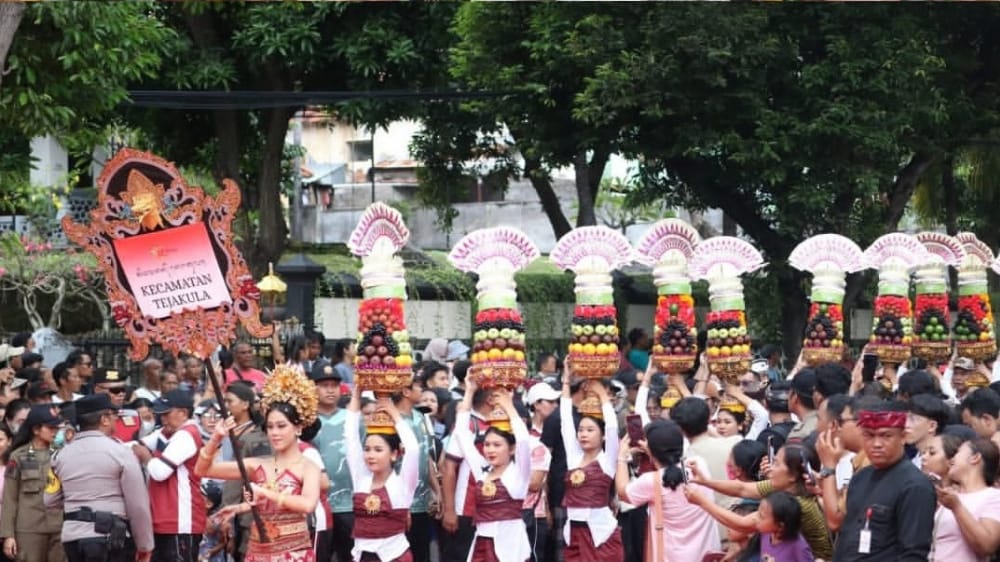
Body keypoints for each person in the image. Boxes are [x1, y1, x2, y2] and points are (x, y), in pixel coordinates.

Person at [195, 366, 321, 562]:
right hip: (258, 552)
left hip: (293, 553)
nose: (274, 433)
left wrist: (264, 493)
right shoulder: (258, 465)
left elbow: (307, 504)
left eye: (281, 426)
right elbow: (202, 469)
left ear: (298, 428)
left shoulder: (308, 466)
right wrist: (216, 437)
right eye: (270, 427)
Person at [45, 393, 155, 562]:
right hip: (110, 536)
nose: (116, 419)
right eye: (113, 415)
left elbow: (49, 499)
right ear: (104, 419)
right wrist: (145, 545)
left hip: (73, 536)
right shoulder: (120, 452)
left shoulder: (60, 456)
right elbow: (138, 505)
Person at [685, 442, 833, 560]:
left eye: (776, 463)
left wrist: (701, 501)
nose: (770, 468)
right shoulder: (782, 485)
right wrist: (705, 482)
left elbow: (742, 524)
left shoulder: (798, 504)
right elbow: (742, 488)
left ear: (793, 476)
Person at [833, 401, 937, 561]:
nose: (876, 444)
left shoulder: (915, 486)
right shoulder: (860, 477)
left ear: (903, 437)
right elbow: (846, 536)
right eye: (869, 435)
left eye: (886, 436)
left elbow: (913, 554)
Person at [615, 419, 720, 562]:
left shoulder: (651, 481)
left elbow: (623, 492)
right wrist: (653, 452)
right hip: (706, 555)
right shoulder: (698, 465)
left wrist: (621, 456)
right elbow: (674, 467)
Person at [453, 382, 531, 562]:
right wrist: (470, 391)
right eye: (487, 445)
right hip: (481, 544)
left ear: (511, 449)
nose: (490, 450)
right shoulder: (482, 471)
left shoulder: (518, 474)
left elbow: (524, 441)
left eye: (497, 445)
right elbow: (460, 434)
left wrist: (510, 408)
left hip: (510, 548)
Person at [343, 385, 419, 562]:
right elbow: (350, 438)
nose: (370, 455)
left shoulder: (402, 484)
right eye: (367, 449)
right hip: (362, 556)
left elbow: (413, 449)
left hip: (394, 556)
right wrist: (356, 396)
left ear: (394, 454)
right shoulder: (361, 478)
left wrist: (395, 414)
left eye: (378, 450)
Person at [131, 390, 205, 561]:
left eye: (166, 414)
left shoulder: (187, 434)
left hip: (181, 521)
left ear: (183, 413)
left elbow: (160, 472)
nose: (162, 419)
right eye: (160, 415)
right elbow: (134, 446)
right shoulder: (167, 432)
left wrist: (146, 457)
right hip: (163, 519)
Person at [559, 374, 623, 561]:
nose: (583, 434)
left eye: (590, 430)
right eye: (580, 430)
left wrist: (602, 395)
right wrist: (566, 382)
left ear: (602, 436)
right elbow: (565, 422)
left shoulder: (607, 461)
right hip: (573, 531)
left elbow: (612, 427)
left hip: (600, 532)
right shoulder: (574, 458)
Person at [0, 404, 65, 562]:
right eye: (50, 428)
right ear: (36, 430)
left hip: (59, 527)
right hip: (28, 530)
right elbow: (10, 498)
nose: (55, 432)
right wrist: (8, 535)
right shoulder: (18, 456)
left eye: (56, 428)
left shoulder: (62, 454)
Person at [309, 363, 354, 562]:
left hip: (349, 504)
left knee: (351, 556)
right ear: (313, 388)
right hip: (317, 504)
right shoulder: (305, 422)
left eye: (334, 385)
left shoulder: (353, 419)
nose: (330, 390)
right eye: (324, 385)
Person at [931, 438, 1000, 561]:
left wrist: (956, 507)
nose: (951, 460)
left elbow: (987, 546)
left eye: (958, 452)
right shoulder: (950, 496)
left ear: (975, 458)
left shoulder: (994, 497)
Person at [757, 491, 813, 562]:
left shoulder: (799, 547)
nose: (755, 518)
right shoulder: (766, 533)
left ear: (780, 526)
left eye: (761, 516)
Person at [92, 369, 142, 443]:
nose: (121, 394)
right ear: (97, 390)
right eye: (115, 390)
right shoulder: (86, 418)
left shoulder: (135, 416)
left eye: (123, 389)